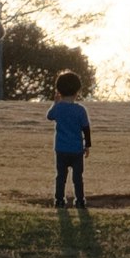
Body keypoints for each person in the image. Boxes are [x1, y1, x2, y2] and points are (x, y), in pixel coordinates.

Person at [46, 75, 91, 212]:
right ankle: (80, 200)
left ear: (59, 90)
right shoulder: (80, 110)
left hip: (61, 149)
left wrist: (55, 102)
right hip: (76, 150)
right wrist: (87, 145)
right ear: (77, 91)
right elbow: (86, 128)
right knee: (78, 177)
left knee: (61, 177)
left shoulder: (58, 108)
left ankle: (59, 200)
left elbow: (49, 116)